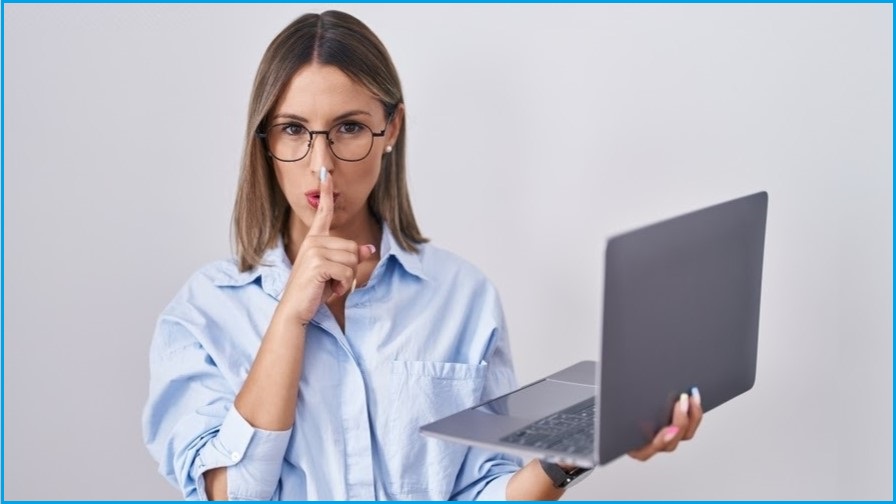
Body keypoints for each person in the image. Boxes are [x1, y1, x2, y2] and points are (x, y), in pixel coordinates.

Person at [142, 10, 703, 500]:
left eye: (350, 128)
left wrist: (577, 448)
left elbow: (485, 490)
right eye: (293, 130)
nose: (322, 164)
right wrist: (290, 316)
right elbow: (231, 492)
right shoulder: (203, 313)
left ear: (392, 129)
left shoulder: (463, 298)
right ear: (265, 141)